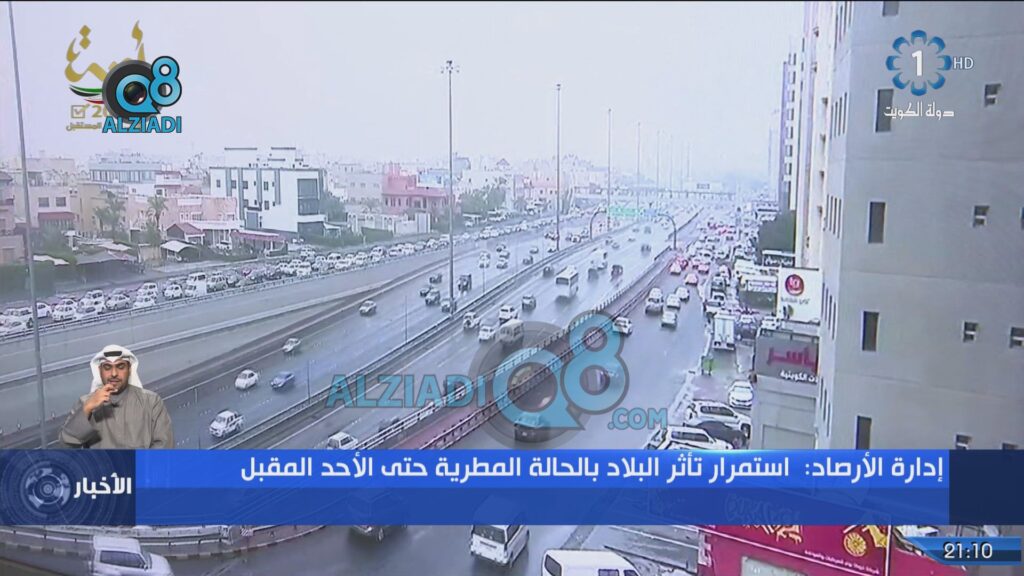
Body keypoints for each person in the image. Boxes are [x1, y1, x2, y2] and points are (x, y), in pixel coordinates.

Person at [60, 344, 174, 449]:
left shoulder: (151, 402)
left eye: (120, 366)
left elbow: (164, 449)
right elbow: (66, 445)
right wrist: (87, 408)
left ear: (129, 369)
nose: (114, 374)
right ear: (99, 371)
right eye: (107, 367)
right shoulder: (85, 403)